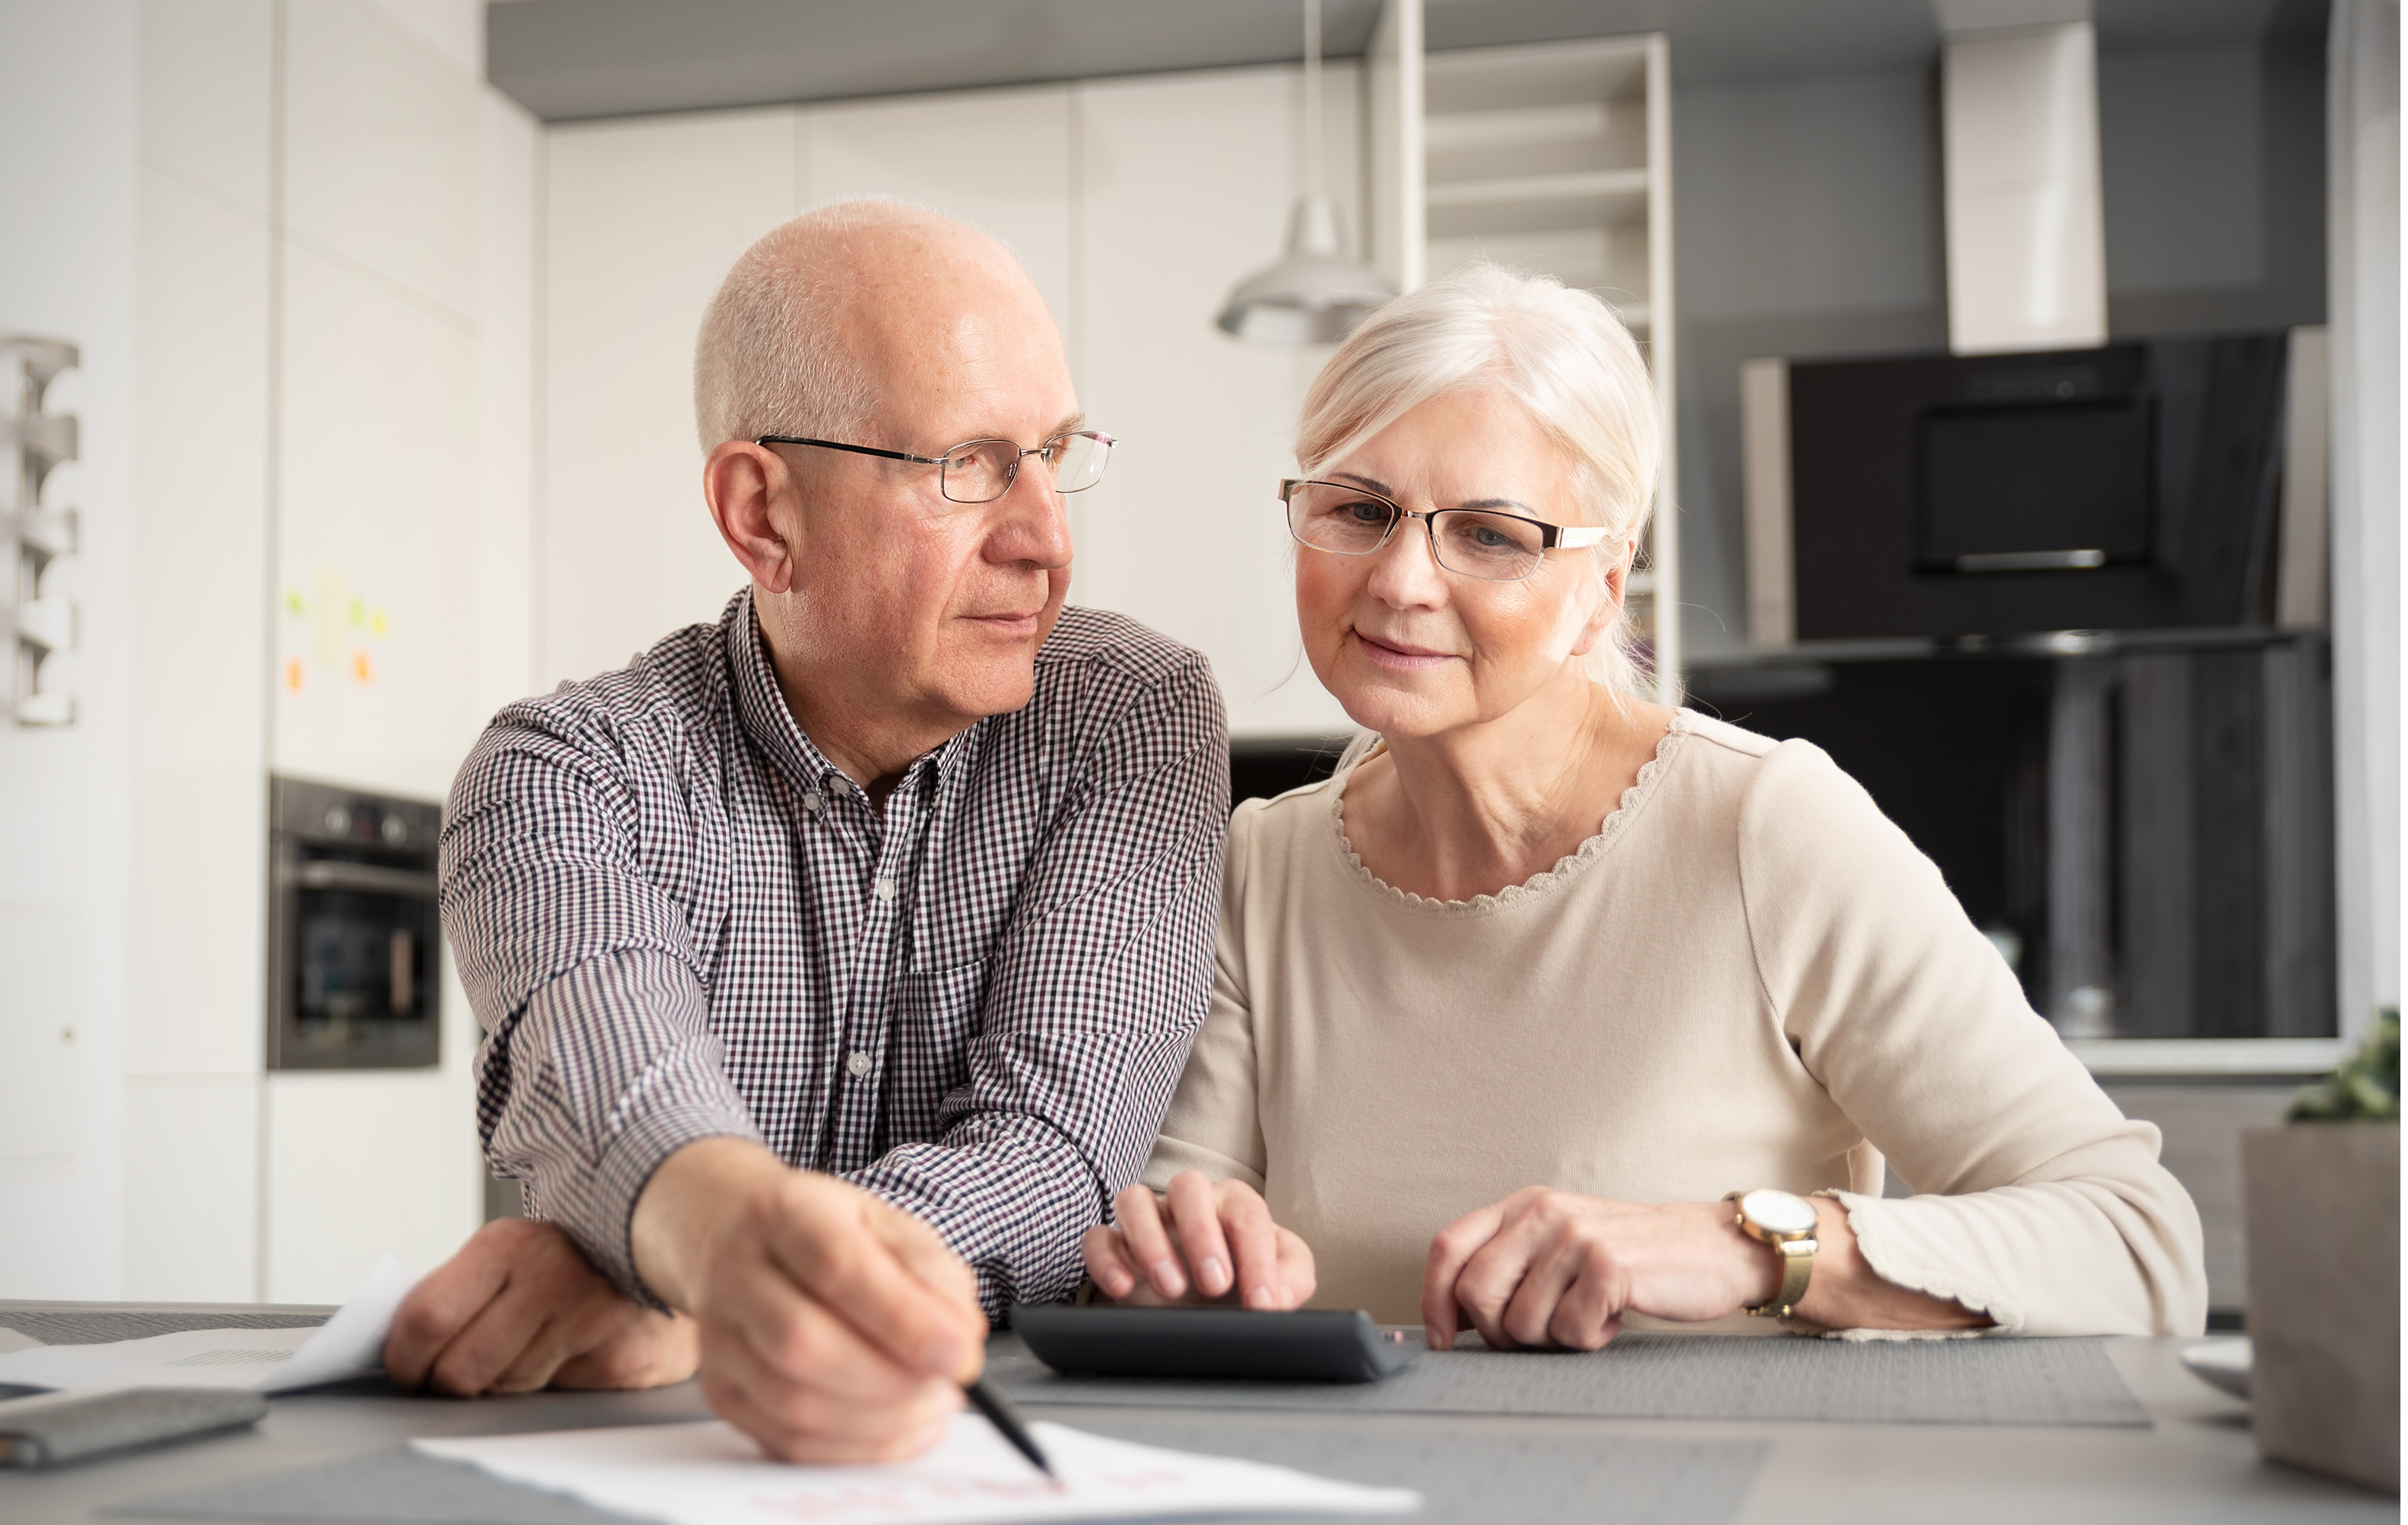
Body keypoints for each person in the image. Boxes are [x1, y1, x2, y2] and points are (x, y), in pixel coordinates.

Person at [1082, 262, 2206, 1349]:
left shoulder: (1768, 831)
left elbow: (2139, 1244)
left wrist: (1750, 1249)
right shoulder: (1258, 868)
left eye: (1490, 534)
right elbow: (1185, 1238)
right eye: (1360, 509)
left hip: (1716, 1521)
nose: (1401, 580)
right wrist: (1176, 1258)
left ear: (1602, 588)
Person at [384, 202, 1229, 1460]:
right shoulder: (565, 775)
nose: (1049, 541)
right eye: (971, 465)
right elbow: (617, 1077)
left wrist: (682, 1280)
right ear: (763, 515)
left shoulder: (1128, 718)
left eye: (1055, 453)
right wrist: (710, 1242)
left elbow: (1057, 1156)